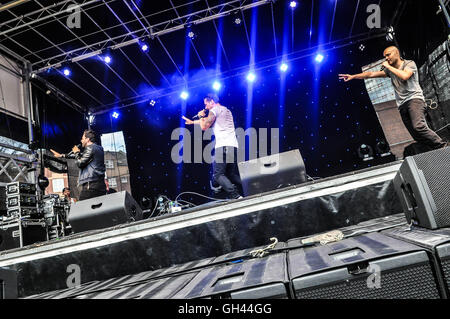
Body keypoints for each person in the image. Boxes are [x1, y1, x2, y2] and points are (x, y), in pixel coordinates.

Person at [339, 46, 447, 151]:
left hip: (414, 100)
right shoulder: (390, 71)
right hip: (402, 105)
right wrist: (353, 76)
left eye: (388, 55)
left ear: (396, 53)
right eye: (385, 56)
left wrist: (389, 67)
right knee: (415, 135)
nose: (386, 58)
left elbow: (405, 76)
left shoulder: (409, 64)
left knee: (418, 126)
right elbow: (370, 74)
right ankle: (435, 150)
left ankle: (443, 145)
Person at [183, 93, 242, 199]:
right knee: (231, 175)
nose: (205, 107)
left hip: (223, 146)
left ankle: (235, 195)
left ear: (212, 102)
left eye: (206, 104)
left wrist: (201, 116)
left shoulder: (214, 110)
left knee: (218, 175)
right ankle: (252, 184)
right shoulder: (226, 110)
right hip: (233, 146)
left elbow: (204, 127)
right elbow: (210, 121)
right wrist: (193, 122)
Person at [51, 129, 107, 201]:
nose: (81, 140)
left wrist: (76, 152)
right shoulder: (98, 148)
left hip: (91, 185)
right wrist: (62, 155)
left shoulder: (90, 148)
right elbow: (83, 156)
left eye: (82, 138)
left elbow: (80, 163)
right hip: (100, 185)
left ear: (87, 139)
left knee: (82, 208)